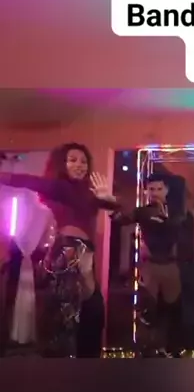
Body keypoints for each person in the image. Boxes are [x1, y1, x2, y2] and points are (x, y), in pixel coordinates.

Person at [0, 142, 119, 358]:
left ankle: (82, 366)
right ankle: (63, 367)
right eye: (72, 160)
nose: (79, 165)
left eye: (83, 161)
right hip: (68, 253)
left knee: (90, 313)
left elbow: (119, 213)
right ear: (62, 164)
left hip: (84, 255)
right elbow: (25, 180)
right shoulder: (59, 187)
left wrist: (110, 200)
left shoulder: (91, 192)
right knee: (68, 318)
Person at [110, 173, 185, 358]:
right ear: (146, 191)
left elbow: (177, 229)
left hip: (171, 265)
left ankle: (171, 350)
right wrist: (111, 203)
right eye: (151, 189)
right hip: (150, 265)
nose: (155, 193)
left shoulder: (177, 210)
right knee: (148, 310)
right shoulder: (143, 211)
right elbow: (120, 219)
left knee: (173, 309)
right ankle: (148, 351)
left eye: (159, 189)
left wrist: (166, 220)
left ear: (167, 190)